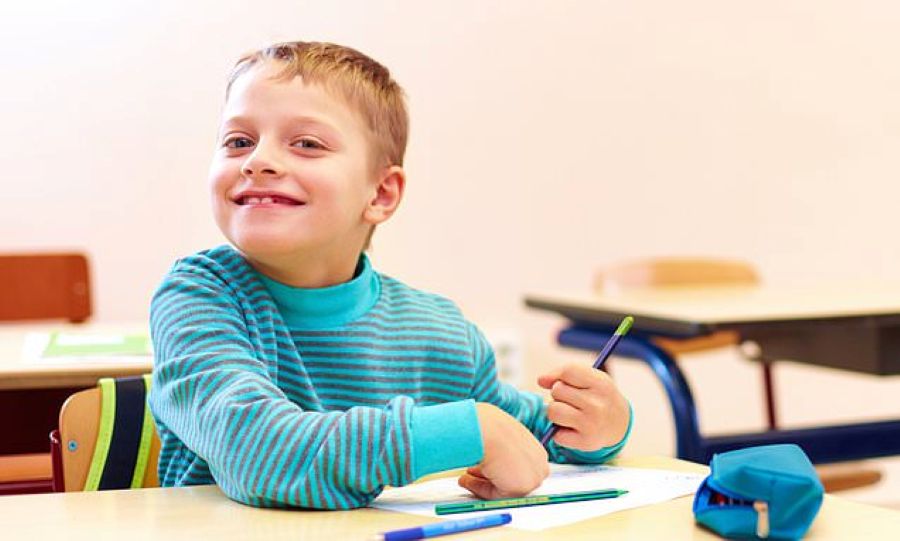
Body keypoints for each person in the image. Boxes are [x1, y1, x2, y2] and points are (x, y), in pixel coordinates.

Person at [149, 41, 632, 509]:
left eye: (306, 143)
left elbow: (525, 440)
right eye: (238, 141)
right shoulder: (197, 298)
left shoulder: (440, 332)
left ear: (381, 193)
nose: (257, 161)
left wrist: (596, 427)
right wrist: (464, 433)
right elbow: (255, 452)